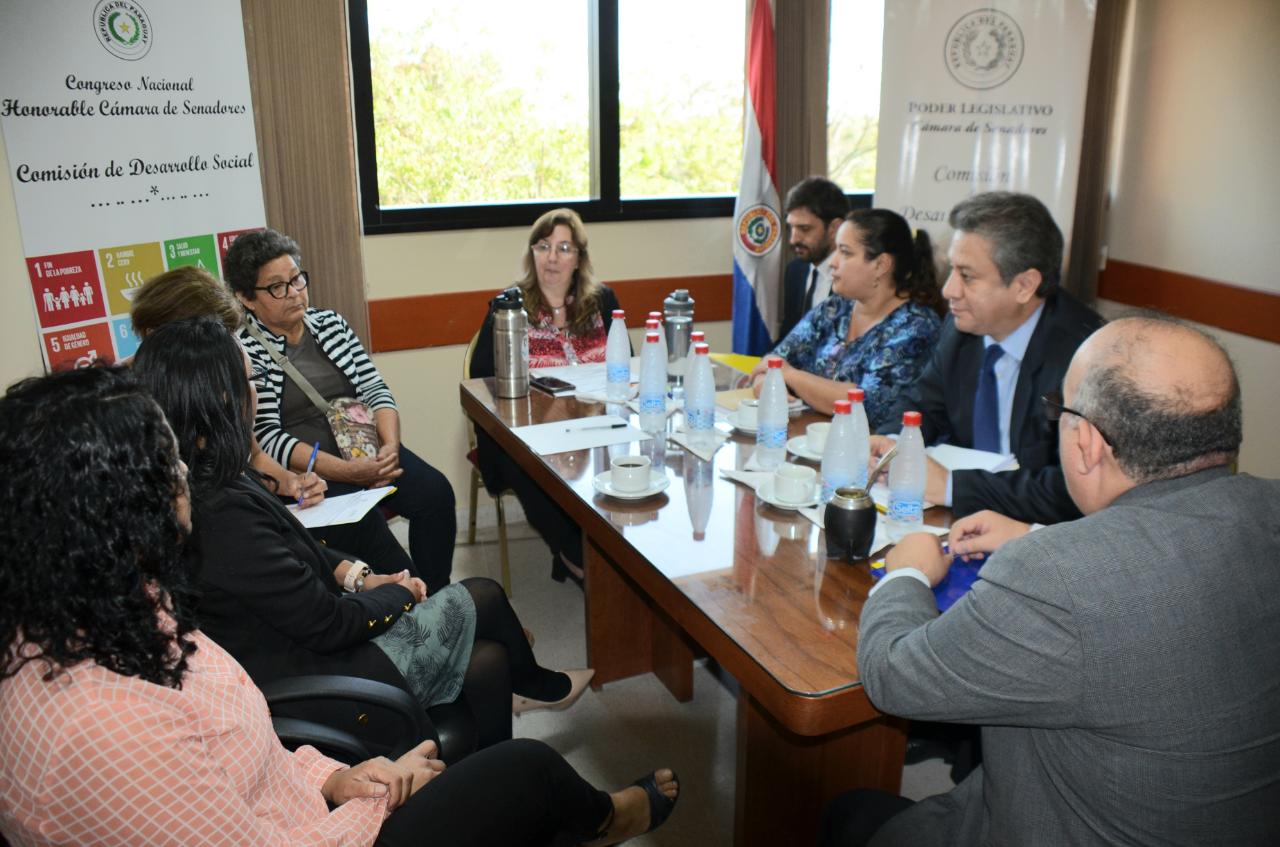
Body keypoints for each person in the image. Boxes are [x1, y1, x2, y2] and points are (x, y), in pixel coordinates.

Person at [0, 366, 680, 847]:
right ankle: (604, 819)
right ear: (113, 514)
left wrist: (337, 776)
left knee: (489, 667)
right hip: (326, 832)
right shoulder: (104, 728)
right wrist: (375, 801)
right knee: (523, 767)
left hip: (313, 800)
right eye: (167, 467)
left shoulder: (110, 612)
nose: (182, 477)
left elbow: (245, 758)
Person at [824, 316, 1280, 845]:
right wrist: (1037, 534)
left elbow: (893, 677)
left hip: (1056, 825)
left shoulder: (1053, 578)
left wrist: (907, 572)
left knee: (849, 815)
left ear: (1085, 441)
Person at [133, 317, 592, 751]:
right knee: (484, 596)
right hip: (325, 681)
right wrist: (402, 595)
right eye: (249, 382)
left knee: (488, 660)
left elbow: (295, 547)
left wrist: (360, 576)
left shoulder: (216, 478)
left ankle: (505, 772)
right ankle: (534, 684)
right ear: (220, 401)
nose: (256, 394)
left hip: (310, 649)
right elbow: (329, 625)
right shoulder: (221, 512)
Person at [131, 265, 416, 578]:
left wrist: (291, 482)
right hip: (217, 537)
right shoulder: (134, 408)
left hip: (247, 511)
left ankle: (411, 599)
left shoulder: (208, 382)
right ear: (162, 336)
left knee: (363, 524)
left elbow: (254, 455)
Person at [225, 228, 456, 593]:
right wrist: (348, 472)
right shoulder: (246, 351)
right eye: (277, 287)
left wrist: (389, 448)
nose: (295, 293)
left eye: (297, 279)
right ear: (246, 298)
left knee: (436, 493)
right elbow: (266, 436)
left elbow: (375, 389)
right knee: (380, 543)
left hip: (367, 450)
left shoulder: (331, 324)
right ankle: (425, 603)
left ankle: (442, 594)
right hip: (313, 474)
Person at [871, 191, 1104, 524]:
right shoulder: (962, 326)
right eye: (951, 270)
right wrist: (893, 442)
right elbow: (923, 402)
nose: (948, 290)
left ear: (1025, 285)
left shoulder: (1086, 356)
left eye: (967, 276)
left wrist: (952, 486)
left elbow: (1074, 489)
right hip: (959, 523)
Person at [470, 208, 623, 585]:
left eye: (564, 248)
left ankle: (622, 556)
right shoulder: (509, 306)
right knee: (532, 468)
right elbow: (480, 378)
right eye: (543, 246)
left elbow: (625, 366)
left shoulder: (603, 301)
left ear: (579, 258)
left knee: (629, 458)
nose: (552, 257)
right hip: (525, 434)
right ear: (532, 253)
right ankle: (574, 554)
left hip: (596, 425)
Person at [750, 208, 942, 427]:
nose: (833, 262)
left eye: (845, 252)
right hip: (805, 439)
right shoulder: (834, 308)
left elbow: (864, 403)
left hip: (869, 453)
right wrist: (764, 380)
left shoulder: (916, 327)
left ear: (881, 265)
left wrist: (788, 375)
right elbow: (775, 359)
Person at [778, 176, 849, 342]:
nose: (793, 240)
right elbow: (788, 339)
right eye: (791, 228)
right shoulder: (795, 271)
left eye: (804, 228)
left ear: (835, 228)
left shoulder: (854, 277)